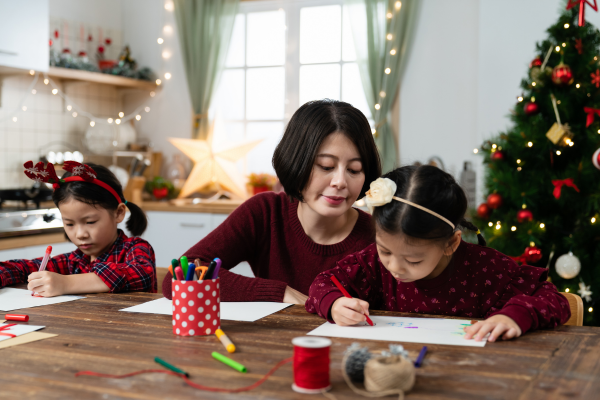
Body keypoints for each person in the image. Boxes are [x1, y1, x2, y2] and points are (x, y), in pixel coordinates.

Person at [306, 165, 570, 342]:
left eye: (413, 259)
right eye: (385, 250)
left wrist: (513, 316)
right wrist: (335, 303)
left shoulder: (486, 270)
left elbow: (553, 298)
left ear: (451, 244)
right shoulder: (373, 262)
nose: (394, 267)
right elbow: (324, 282)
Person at [162, 99, 381, 303]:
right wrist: (279, 292)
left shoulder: (378, 236)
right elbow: (176, 278)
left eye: (354, 170)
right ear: (297, 163)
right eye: (326, 166)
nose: (340, 181)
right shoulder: (265, 212)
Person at [0, 161, 156, 296]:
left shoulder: (135, 248)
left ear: (118, 213)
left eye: (90, 222)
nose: (80, 234)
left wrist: (66, 284)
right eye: (69, 224)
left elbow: (142, 274)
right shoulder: (73, 262)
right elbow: (22, 268)